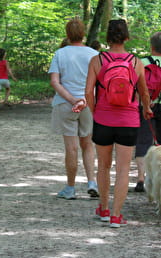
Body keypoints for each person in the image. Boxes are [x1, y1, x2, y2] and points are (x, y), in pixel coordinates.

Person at [85, 19, 152, 228]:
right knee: (123, 169)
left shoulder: (98, 60)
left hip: (103, 120)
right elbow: (144, 92)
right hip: (129, 121)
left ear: (108, 36)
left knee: (103, 167)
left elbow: (88, 92)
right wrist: (147, 108)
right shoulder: (136, 62)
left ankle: (103, 209)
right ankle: (116, 216)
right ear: (127, 37)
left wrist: (96, 112)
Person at [48, 18, 99, 200]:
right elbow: (99, 83)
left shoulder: (60, 54)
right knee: (88, 144)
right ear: (83, 33)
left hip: (65, 104)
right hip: (89, 105)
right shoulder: (94, 54)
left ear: (67, 34)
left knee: (71, 148)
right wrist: (84, 100)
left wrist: (72, 99)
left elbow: (55, 81)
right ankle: (92, 182)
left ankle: (70, 188)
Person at [134, 32, 161, 192]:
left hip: (145, 106)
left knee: (143, 142)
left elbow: (132, 87)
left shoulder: (141, 63)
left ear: (151, 47)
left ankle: (141, 178)